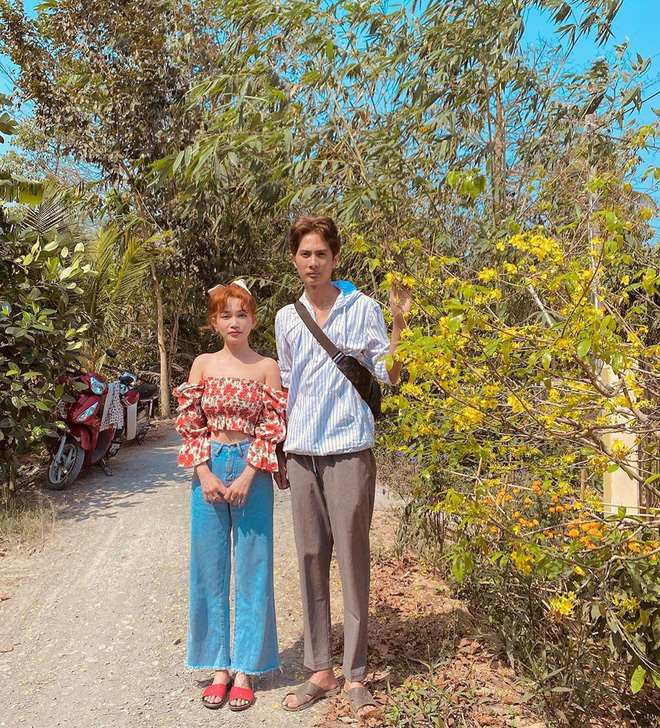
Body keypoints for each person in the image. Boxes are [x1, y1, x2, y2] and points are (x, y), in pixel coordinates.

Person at [275, 216, 410, 717]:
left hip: (350, 449)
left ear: (334, 258)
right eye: (305, 254)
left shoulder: (364, 308)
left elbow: (390, 374)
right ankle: (320, 670)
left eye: (321, 254)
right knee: (310, 558)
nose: (313, 263)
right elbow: (286, 385)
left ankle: (355, 674)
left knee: (353, 559)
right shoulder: (287, 318)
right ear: (294, 259)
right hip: (301, 452)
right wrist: (280, 451)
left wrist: (399, 323)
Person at [174, 280, 287, 711]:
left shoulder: (267, 366)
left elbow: (273, 427)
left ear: (253, 319)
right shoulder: (202, 364)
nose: (234, 322)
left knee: (254, 567)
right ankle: (218, 666)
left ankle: (246, 669)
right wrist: (203, 471)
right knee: (208, 568)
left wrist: (249, 474)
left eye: (242, 314)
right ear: (215, 321)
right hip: (209, 463)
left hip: (251, 467)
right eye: (226, 315)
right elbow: (190, 423)